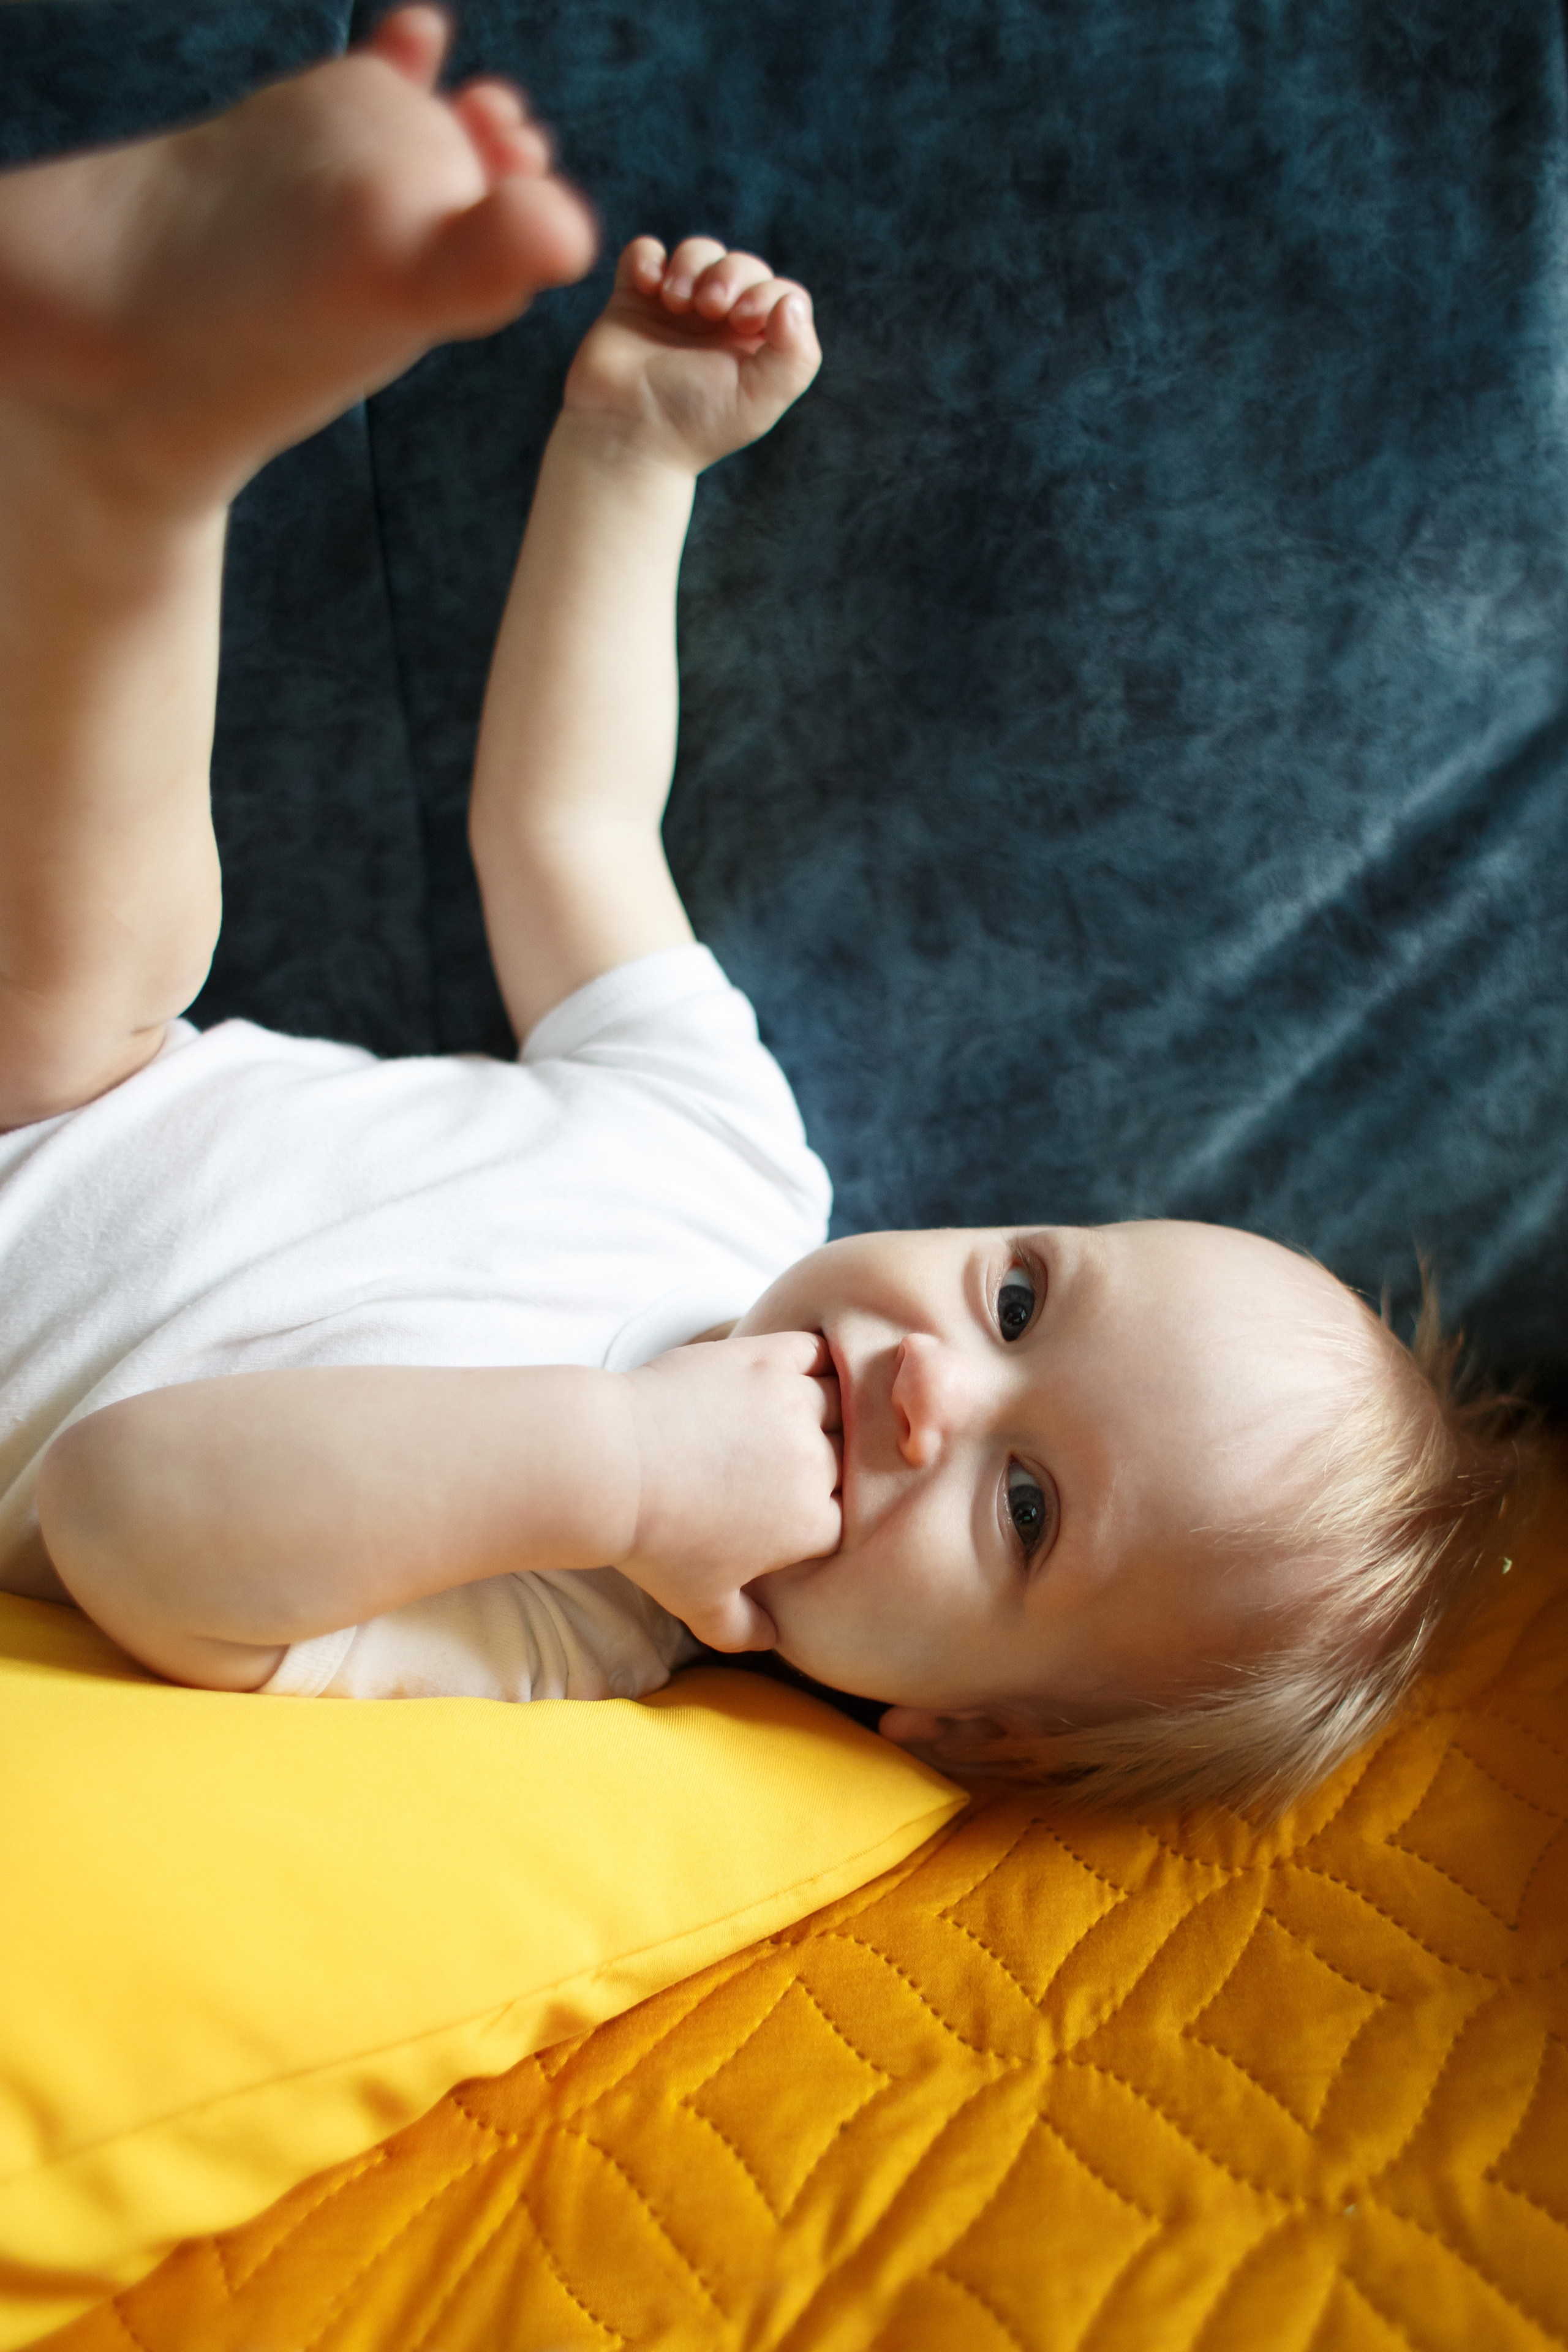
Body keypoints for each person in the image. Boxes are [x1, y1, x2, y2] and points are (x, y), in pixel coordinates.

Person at [0, 8, 1530, 1817]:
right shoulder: (727, 1158)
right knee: (111, 976)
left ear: (972, 1730)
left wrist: (626, 1469)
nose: (933, 1389)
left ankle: (121, 446)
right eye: (1020, 1297)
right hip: (65, 1083)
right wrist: (634, 461)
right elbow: (565, 829)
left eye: (1024, 1508)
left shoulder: (570, 1627)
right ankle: (134, 440)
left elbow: (118, 1512)